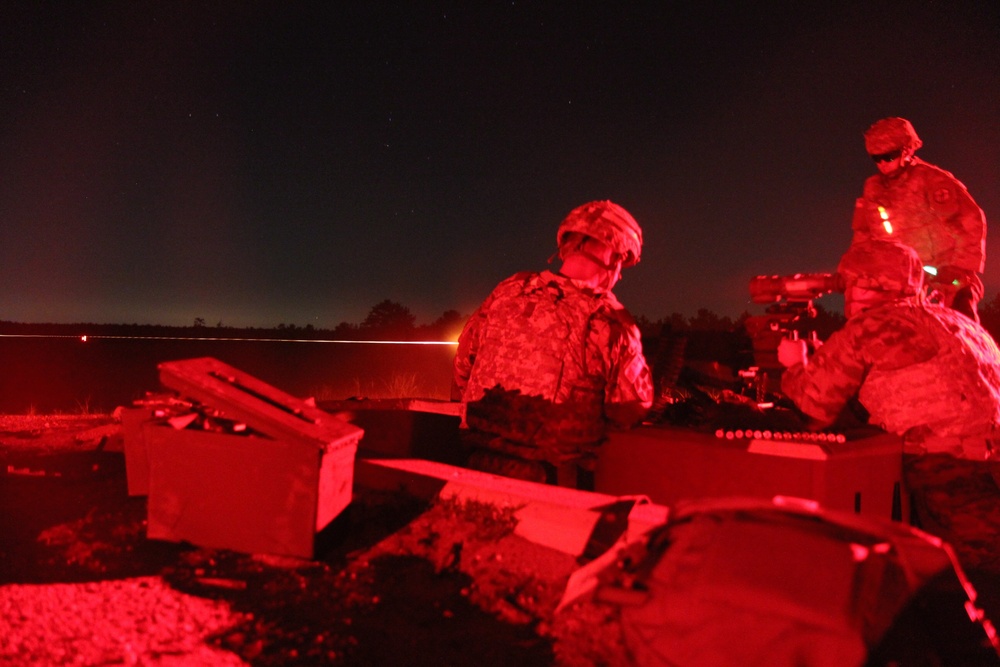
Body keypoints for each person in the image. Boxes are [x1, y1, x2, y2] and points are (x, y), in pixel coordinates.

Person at [777, 239, 1000, 568]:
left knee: (965, 592)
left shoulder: (868, 327)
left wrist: (795, 364)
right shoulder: (962, 324)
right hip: (992, 464)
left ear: (862, 284)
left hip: (948, 477)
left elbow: (812, 410)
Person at [453, 200, 654, 490]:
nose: (619, 273)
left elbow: (463, 368)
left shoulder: (509, 289)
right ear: (609, 253)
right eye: (621, 260)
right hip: (551, 491)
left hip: (470, 470)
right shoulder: (610, 321)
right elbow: (630, 409)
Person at [850, 117, 986, 321]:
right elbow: (863, 234)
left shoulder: (931, 180)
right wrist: (856, 270)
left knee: (960, 324)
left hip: (946, 273)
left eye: (889, 156)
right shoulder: (873, 188)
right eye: (876, 159)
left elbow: (970, 220)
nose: (883, 164)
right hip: (901, 278)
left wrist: (961, 266)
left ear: (907, 150)